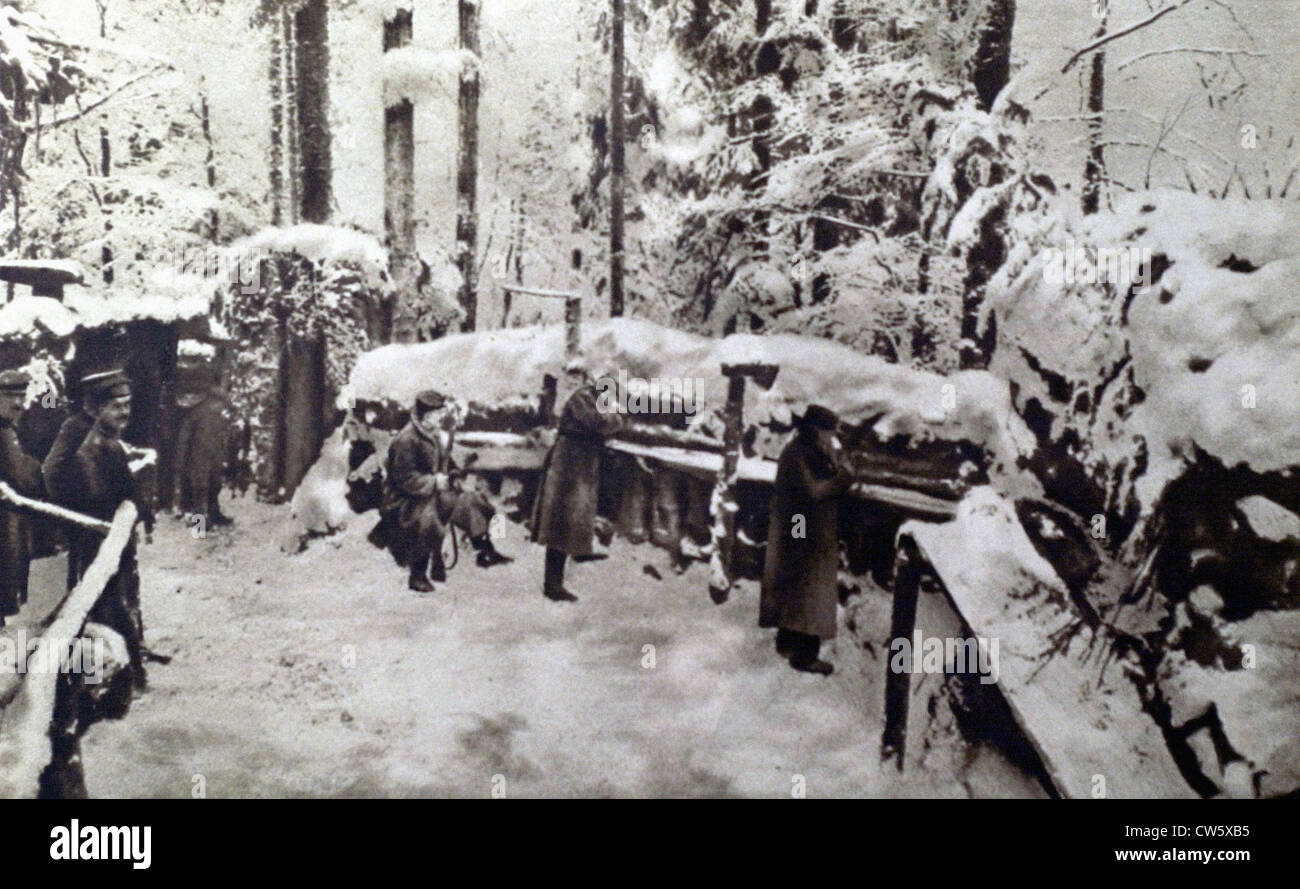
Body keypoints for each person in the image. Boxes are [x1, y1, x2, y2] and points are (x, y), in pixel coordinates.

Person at [64, 370, 154, 687]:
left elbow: (127, 490)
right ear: (97, 408)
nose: (125, 412)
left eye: (128, 405)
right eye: (117, 406)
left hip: (117, 539)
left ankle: (127, 669)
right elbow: (98, 497)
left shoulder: (111, 443)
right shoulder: (90, 448)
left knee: (121, 600)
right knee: (109, 604)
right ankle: (125, 675)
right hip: (100, 541)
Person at [373, 390, 508, 594]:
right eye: (438, 413)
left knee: (470, 500)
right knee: (430, 516)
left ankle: (484, 548)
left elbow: (443, 460)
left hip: (429, 491)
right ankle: (417, 575)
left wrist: (455, 470)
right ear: (426, 415)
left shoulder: (432, 433)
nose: (441, 417)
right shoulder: (406, 440)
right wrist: (435, 482)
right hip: (403, 501)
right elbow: (404, 480)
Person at [759, 404, 852, 675]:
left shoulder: (807, 448)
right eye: (827, 432)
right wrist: (844, 476)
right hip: (800, 526)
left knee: (799, 586)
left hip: (802, 526)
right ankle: (803, 655)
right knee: (806, 587)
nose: (830, 437)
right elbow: (814, 491)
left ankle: (790, 643)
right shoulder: (798, 453)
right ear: (815, 430)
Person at [531, 359, 623, 603]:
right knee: (560, 524)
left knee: (573, 520)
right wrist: (615, 418)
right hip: (568, 468)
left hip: (579, 466)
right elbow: (601, 422)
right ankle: (552, 585)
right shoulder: (582, 397)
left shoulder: (594, 397)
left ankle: (576, 555)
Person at [0, 370, 42, 627]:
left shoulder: (9, 428)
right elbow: (22, 475)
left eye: (21, 396)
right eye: (10, 396)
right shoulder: (5, 432)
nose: (18, 403)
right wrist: (39, 470)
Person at [175, 382, 232, 526]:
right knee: (200, 489)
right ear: (212, 401)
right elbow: (184, 438)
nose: (221, 407)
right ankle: (199, 524)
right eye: (220, 403)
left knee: (214, 486)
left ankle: (214, 514)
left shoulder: (217, 416)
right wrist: (182, 460)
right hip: (198, 458)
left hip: (213, 456)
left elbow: (221, 436)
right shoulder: (197, 414)